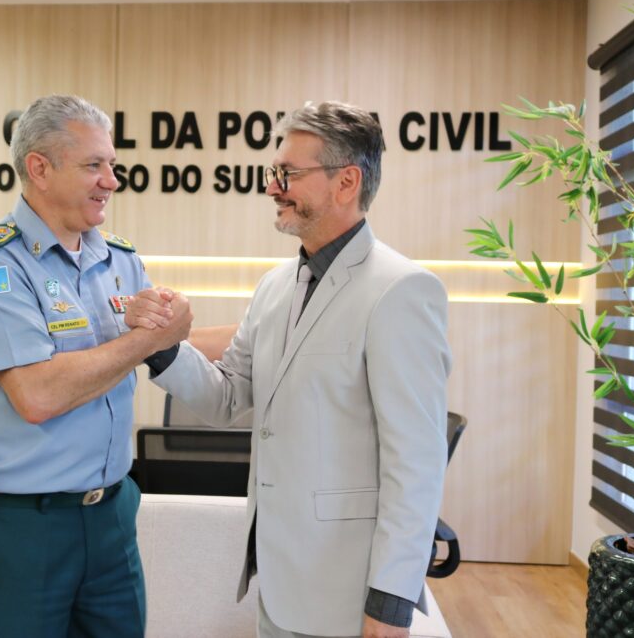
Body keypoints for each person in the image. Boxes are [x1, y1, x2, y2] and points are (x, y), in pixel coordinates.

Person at [127, 102, 451, 638]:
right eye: (274, 172)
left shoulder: (401, 290)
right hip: (278, 578)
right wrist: (162, 349)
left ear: (346, 181)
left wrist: (390, 603)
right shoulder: (275, 286)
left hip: (348, 592)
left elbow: (415, 463)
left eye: (288, 174)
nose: (273, 187)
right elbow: (228, 397)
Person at [0, 94, 192, 638]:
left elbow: (167, 347)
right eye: (94, 165)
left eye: (113, 165)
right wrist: (147, 338)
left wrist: (268, 339)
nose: (111, 180)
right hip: (23, 527)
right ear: (39, 168)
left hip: (112, 517)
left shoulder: (119, 259)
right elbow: (38, 396)